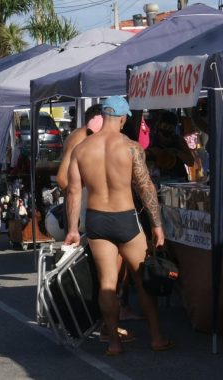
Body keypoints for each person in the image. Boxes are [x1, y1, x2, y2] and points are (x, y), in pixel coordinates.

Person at [64, 96, 172, 356]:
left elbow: (73, 192)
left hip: (97, 219)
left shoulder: (82, 149)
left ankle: (113, 342)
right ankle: (157, 338)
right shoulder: (131, 147)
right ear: (123, 119)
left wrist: (72, 229)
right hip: (125, 218)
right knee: (141, 279)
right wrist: (157, 224)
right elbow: (145, 186)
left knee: (107, 283)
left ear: (103, 115)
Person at [146, 111, 194, 184]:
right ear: (159, 125)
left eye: (171, 128)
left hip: (178, 179)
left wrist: (176, 152)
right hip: (157, 180)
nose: (167, 130)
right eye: (165, 127)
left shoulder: (179, 140)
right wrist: (150, 151)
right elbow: (140, 155)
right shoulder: (150, 139)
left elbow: (191, 162)